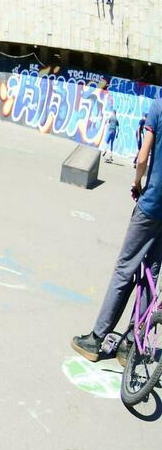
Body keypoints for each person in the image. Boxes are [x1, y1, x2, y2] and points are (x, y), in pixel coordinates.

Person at [72, 92, 161, 361]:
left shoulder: (158, 105)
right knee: (151, 275)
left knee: (125, 268)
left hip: (152, 204)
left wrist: (137, 183)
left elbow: (143, 156)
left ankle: (97, 338)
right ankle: (131, 344)